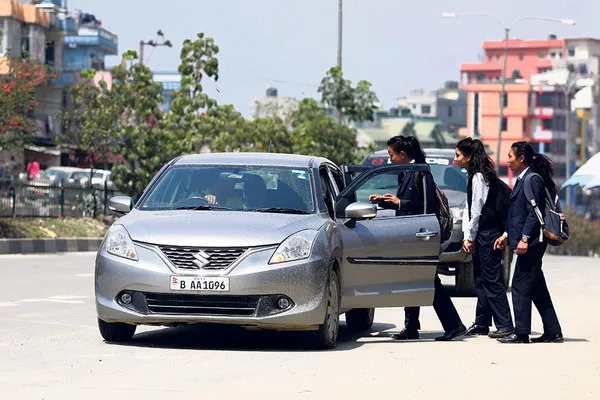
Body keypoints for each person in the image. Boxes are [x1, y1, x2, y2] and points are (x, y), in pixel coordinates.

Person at [369, 135, 466, 341]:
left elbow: (424, 207)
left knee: (429, 281)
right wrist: (385, 201)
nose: (390, 160)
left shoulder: (421, 173)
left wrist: (399, 203)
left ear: (403, 154)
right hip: (409, 234)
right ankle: (412, 327)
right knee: (411, 278)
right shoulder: (407, 173)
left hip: (420, 235)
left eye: (391, 155)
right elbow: (406, 202)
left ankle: (454, 325)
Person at [493, 142, 563, 344]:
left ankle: (521, 333)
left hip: (531, 243)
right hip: (527, 240)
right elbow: (518, 213)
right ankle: (553, 331)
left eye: (510, 156)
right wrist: (506, 235)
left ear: (521, 158)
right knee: (536, 287)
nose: (507, 160)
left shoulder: (531, 180)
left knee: (519, 286)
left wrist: (524, 238)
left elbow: (535, 213)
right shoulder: (524, 179)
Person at [455, 138, 514, 339]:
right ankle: (482, 323)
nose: (456, 160)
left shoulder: (479, 177)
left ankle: (505, 324)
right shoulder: (477, 176)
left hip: (487, 235)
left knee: (491, 280)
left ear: (469, 157)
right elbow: (471, 210)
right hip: (484, 234)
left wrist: (469, 237)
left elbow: (476, 210)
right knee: (480, 280)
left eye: (458, 155)